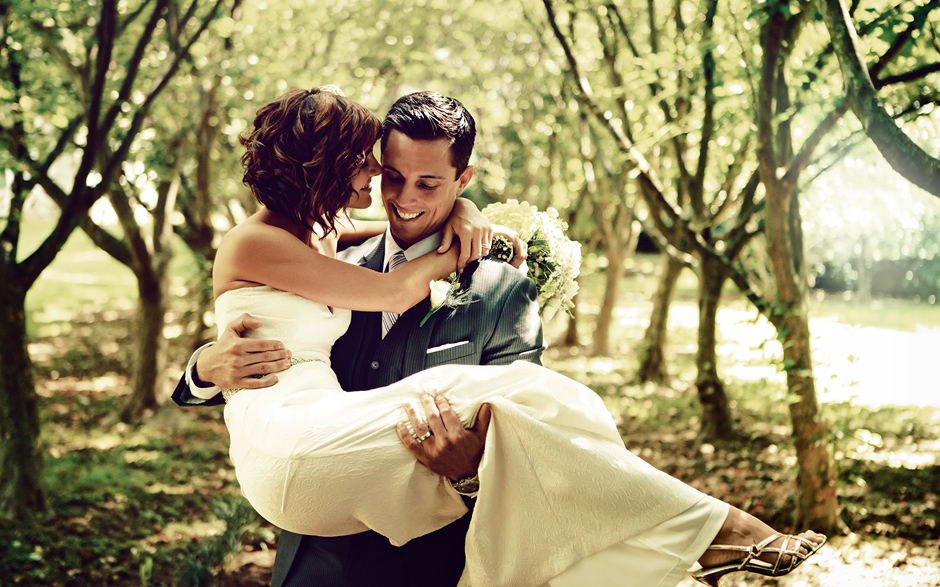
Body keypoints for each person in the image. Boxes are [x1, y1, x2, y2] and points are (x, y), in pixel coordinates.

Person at [172, 88, 825, 587]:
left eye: (428, 182)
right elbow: (368, 294)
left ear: (463, 177)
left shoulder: (487, 286)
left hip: (432, 559)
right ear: (324, 169)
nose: (385, 191)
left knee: (546, 398)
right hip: (320, 539)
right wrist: (204, 364)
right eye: (381, 173)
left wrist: (470, 473)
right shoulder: (292, 248)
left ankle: (702, 537)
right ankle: (719, 532)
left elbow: (532, 444)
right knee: (522, 391)